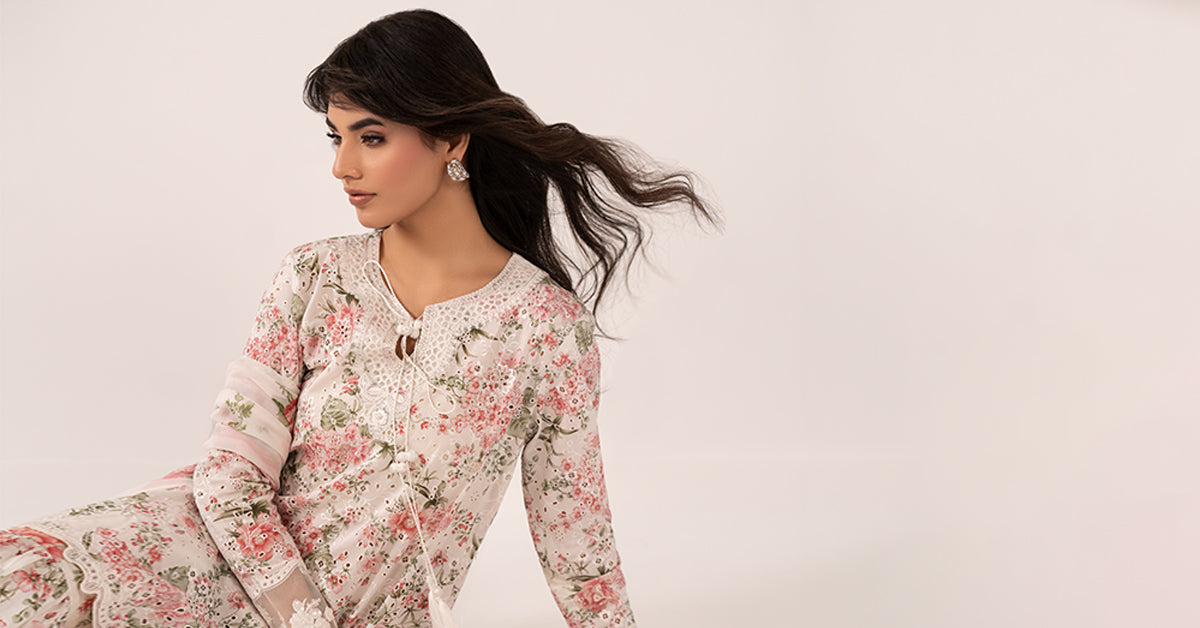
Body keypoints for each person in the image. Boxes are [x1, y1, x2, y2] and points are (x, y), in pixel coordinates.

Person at [0, 9, 713, 628]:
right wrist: (302, 616)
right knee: (24, 581)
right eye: (335, 137)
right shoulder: (314, 276)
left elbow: (575, 540)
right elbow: (229, 473)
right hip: (203, 552)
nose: (342, 166)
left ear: (452, 139)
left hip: (362, 609)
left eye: (370, 137)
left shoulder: (545, 328)